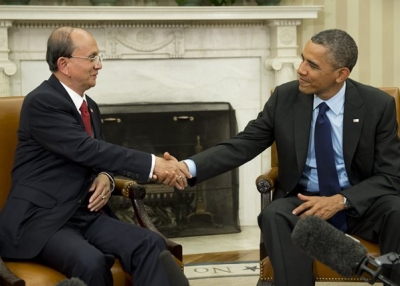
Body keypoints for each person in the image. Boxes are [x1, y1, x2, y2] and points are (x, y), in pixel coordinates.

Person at [173, 29, 400, 285]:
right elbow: (243, 144)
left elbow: (390, 174)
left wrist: (341, 200)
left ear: (341, 74)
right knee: (275, 214)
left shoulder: (376, 105)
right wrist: (187, 167)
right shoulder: (285, 98)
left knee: (396, 210)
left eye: (312, 65)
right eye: (303, 59)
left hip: (359, 204)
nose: (301, 69)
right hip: (303, 203)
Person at [0, 26, 190, 286]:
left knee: (150, 243)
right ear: (64, 64)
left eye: (98, 57)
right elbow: (86, 149)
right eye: (92, 57)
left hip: (85, 213)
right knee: (90, 262)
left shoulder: (89, 106)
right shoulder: (41, 102)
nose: (98, 65)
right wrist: (154, 163)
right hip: (43, 220)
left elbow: (99, 157)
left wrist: (105, 177)